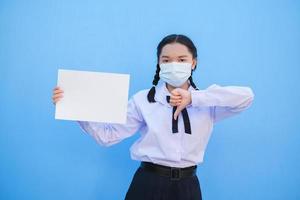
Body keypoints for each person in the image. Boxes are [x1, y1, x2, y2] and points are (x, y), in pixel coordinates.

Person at [52, 34, 254, 200]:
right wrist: (74, 105)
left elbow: (246, 98)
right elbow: (107, 136)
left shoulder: (208, 102)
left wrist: (194, 98)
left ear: (194, 63)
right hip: (148, 184)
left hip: (188, 187)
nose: (174, 64)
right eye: (166, 60)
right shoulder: (143, 100)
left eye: (182, 59)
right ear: (159, 64)